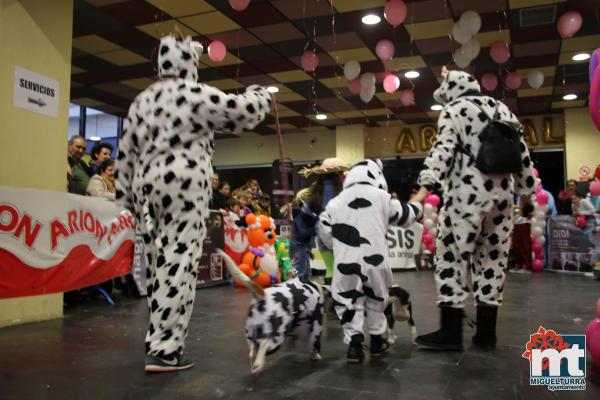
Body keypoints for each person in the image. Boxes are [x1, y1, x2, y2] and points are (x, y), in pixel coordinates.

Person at [115, 33, 271, 373]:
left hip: (147, 188)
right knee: (179, 264)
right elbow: (241, 113)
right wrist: (259, 95)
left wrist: (124, 199)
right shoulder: (193, 94)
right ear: (188, 63)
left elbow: (124, 155)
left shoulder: (141, 102)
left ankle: (157, 338)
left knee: (159, 267)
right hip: (185, 186)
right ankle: (165, 350)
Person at [415, 67, 536, 351]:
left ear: (450, 91)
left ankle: (450, 332)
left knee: (451, 258)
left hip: (466, 197)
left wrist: (424, 189)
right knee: (493, 261)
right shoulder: (502, 109)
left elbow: (442, 151)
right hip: (503, 198)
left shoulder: (454, 110)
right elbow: (522, 154)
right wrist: (527, 195)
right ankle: (486, 333)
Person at [318, 159, 425, 363]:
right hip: (376, 262)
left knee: (349, 303)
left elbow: (323, 229)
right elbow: (407, 215)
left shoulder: (335, 203)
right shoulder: (382, 197)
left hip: (346, 263)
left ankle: (354, 346)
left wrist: (339, 246)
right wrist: (419, 203)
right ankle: (377, 341)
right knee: (377, 300)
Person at [292, 158, 348, 281]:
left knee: (330, 267)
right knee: (340, 269)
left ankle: (328, 294)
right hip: (341, 237)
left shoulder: (315, 193)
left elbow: (305, 217)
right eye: (341, 173)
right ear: (337, 174)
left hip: (321, 235)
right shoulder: (342, 192)